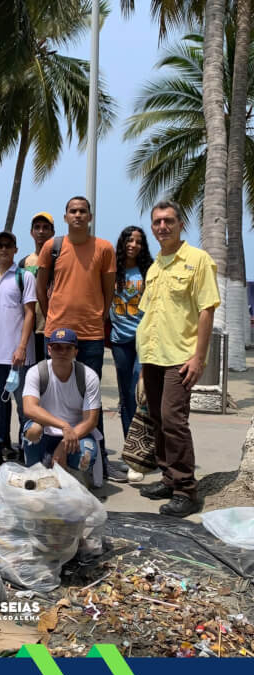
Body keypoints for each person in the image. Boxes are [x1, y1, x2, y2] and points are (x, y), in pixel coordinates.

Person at [137, 200, 220, 517]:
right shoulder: (156, 265)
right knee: (158, 419)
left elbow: (206, 309)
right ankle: (169, 478)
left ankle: (187, 490)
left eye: (169, 221)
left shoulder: (198, 260)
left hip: (179, 357)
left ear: (181, 224)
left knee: (174, 420)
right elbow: (149, 315)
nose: (162, 227)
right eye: (157, 221)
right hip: (152, 355)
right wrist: (142, 361)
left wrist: (198, 358)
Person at [36, 196, 122, 482]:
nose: (78, 215)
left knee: (90, 402)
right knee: (52, 397)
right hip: (57, 336)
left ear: (90, 216)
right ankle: (49, 453)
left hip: (91, 336)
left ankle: (99, 461)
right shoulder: (53, 247)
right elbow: (41, 287)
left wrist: (98, 316)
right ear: (65, 217)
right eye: (72, 211)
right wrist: (52, 318)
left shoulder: (104, 248)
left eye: (82, 211)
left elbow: (108, 290)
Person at [0, 230, 36, 466]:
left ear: (15, 249)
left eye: (8, 245)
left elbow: (30, 312)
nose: (3, 249)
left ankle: (25, 447)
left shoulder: (24, 277)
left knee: (23, 404)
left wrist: (22, 347)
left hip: (19, 355)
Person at [22, 329, 102, 481]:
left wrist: (64, 444)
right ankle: (36, 469)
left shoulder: (88, 376)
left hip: (75, 435)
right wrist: (63, 425)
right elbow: (29, 408)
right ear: (49, 349)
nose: (62, 352)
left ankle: (74, 476)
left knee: (86, 454)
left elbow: (91, 421)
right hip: (45, 432)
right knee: (33, 430)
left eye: (68, 347)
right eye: (57, 347)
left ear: (75, 352)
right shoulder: (37, 372)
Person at [110, 226, 153, 438]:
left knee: (141, 391)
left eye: (138, 241)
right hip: (119, 341)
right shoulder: (112, 271)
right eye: (129, 240)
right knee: (126, 395)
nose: (133, 245)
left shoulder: (150, 271)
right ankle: (130, 444)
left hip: (143, 340)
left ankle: (146, 442)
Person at [20, 212, 55, 362]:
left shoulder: (60, 259)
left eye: (46, 227)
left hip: (52, 325)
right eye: (37, 227)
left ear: (52, 232)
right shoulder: (24, 263)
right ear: (31, 232)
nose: (41, 231)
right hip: (31, 329)